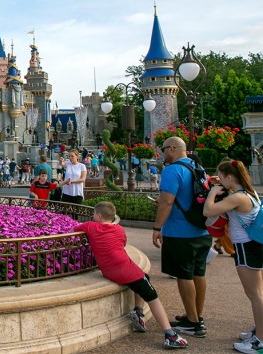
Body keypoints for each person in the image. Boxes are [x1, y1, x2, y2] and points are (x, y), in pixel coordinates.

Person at [75, 202, 188, 349]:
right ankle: (169, 335)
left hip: (110, 270)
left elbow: (75, 228)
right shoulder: (119, 229)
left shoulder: (90, 226)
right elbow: (122, 244)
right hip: (125, 270)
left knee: (145, 277)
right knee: (153, 298)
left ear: (98, 215)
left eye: (94, 214)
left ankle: (138, 312)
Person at [152, 136, 210, 338]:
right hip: (201, 231)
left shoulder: (172, 170)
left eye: (164, 148)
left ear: (174, 148)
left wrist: (157, 226)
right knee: (198, 274)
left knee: (184, 275)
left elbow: (167, 202)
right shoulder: (198, 167)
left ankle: (193, 324)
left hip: (179, 232)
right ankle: (196, 316)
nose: (162, 152)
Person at [203, 159, 262, 354]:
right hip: (253, 246)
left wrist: (212, 192)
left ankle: (260, 341)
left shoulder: (238, 198)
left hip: (246, 248)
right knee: (257, 294)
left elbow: (208, 210)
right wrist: (218, 182)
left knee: (255, 295)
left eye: (221, 177)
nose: (219, 180)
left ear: (229, 177)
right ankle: (259, 332)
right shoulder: (249, 193)